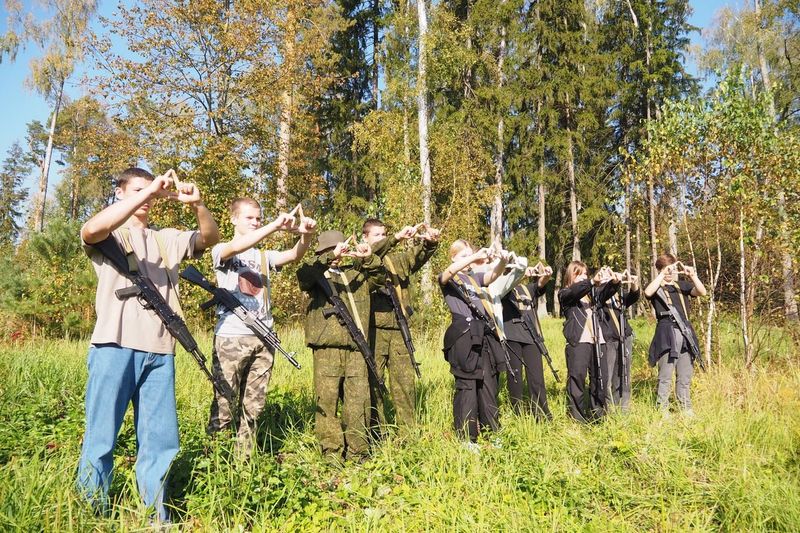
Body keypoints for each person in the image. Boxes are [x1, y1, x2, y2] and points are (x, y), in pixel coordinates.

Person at [77, 167, 220, 521]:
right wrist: (150, 191)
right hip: (113, 345)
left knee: (160, 441)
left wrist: (198, 204)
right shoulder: (111, 232)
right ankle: (91, 513)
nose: (149, 196)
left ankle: (156, 517)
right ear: (121, 193)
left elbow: (210, 237)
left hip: (160, 350)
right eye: (138, 189)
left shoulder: (164, 239)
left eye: (152, 189)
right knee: (101, 437)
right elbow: (90, 230)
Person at [207, 198, 317, 454]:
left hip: (264, 338)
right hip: (232, 337)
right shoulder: (222, 249)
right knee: (224, 403)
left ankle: (244, 461)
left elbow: (293, 255)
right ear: (234, 219)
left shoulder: (264, 256)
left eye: (259, 218)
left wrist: (306, 236)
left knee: (254, 407)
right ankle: (213, 461)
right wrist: (274, 226)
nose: (256, 222)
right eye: (250, 218)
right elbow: (234, 247)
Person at [296, 230, 383, 461]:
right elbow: (303, 275)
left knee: (358, 403)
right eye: (330, 250)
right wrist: (328, 256)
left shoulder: (356, 275)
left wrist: (368, 257)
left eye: (339, 249)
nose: (336, 254)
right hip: (327, 350)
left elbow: (379, 276)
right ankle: (332, 455)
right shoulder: (317, 274)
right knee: (327, 402)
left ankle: (358, 453)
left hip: (357, 350)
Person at [361, 219, 440, 428]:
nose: (382, 238)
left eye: (384, 234)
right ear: (365, 238)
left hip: (398, 329)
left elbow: (416, 257)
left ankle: (408, 433)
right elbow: (373, 254)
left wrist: (430, 243)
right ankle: (375, 434)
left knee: (404, 385)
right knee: (373, 384)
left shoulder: (396, 261)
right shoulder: (358, 259)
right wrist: (395, 238)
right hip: (373, 329)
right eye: (377, 235)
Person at [439, 240, 508, 446]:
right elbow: (447, 273)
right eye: (463, 256)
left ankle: (492, 432)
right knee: (467, 386)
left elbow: (493, 275)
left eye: (470, 256)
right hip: (463, 336)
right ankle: (467, 438)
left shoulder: (474, 278)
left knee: (487, 384)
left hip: (483, 334)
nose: (468, 261)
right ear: (453, 258)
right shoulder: (451, 279)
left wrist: (502, 261)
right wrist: (474, 257)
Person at [643, 254, 707, 415]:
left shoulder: (681, 286)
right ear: (660, 270)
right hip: (666, 333)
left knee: (685, 375)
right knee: (665, 375)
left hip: (685, 332)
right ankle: (662, 410)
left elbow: (702, 292)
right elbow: (647, 292)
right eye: (666, 269)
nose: (670, 272)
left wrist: (692, 275)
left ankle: (685, 408)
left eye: (672, 268)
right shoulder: (657, 288)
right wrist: (662, 274)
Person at [557, 262, 619, 423]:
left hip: (599, 340)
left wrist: (614, 282)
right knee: (577, 378)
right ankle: (577, 417)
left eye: (585, 273)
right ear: (571, 276)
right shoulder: (565, 292)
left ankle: (598, 415)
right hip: (579, 340)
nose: (583, 277)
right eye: (579, 274)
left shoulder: (592, 293)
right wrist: (591, 281)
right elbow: (574, 293)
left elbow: (605, 293)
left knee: (600, 378)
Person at [501, 264, 554, 420]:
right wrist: (520, 274)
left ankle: (542, 414)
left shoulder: (526, 289)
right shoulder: (502, 286)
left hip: (531, 337)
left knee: (536, 377)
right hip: (511, 336)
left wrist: (546, 274)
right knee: (515, 378)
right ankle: (517, 414)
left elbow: (539, 285)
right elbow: (503, 290)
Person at [601, 272, 640, 411]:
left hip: (624, 337)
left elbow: (633, 297)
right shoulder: (598, 295)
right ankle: (608, 408)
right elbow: (604, 294)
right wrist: (612, 283)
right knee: (607, 375)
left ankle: (623, 406)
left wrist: (634, 283)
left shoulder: (618, 295)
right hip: (608, 339)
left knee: (623, 373)